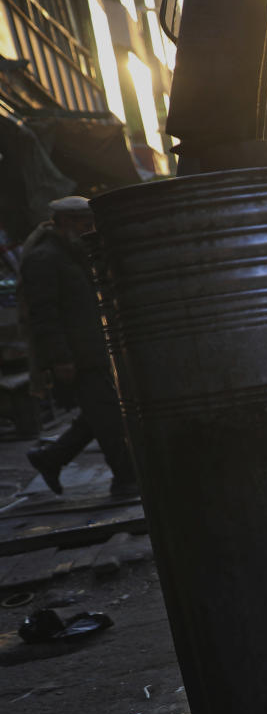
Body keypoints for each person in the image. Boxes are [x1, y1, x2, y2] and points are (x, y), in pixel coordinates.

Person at [19, 196, 138, 498]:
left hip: (93, 350)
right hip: (76, 355)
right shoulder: (45, 258)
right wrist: (60, 358)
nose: (90, 228)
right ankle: (126, 479)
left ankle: (51, 458)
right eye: (85, 222)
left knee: (99, 413)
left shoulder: (72, 254)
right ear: (66, 222)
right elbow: (44, 314)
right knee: (108, 417)